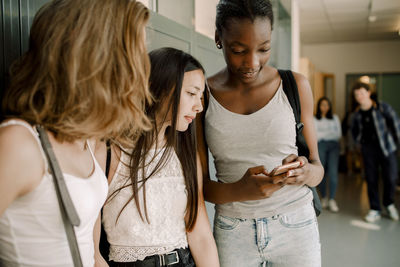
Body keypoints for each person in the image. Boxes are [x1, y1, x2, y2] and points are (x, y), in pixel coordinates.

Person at [0, 0, 152, 266]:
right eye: (132, 54)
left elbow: (92, 255)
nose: (139, 70)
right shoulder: (19, 144)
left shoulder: (90, 140)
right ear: (92, 55)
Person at [196, 1, 324, 266]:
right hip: (233, 230)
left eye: (264, 49)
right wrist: (239, 190)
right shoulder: (202, 97)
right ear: (219, 38)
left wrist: (304, 171)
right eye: (239, 50)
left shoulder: (296, 85)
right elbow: (201, 187)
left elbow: (317, 169)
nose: (252, 62)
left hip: (296, 224)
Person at [96, 47, 219, 267]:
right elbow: (88, 246)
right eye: (191, 94)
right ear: (160, 89)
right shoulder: (107, 151)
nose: (199, 106)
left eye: (201, 97)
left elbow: (200, 236)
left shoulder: (184, 154)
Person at [351, 81, 400, 223]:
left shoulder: (383, 107)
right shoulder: (357, 114)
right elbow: (353, 132)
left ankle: (389, 204)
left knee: (390, 177)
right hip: (368, 150)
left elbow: (396, 124)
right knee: (371, 179)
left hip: (386, 147)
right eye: (356, 95)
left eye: (361, 93)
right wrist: (358, 143)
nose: (359, 96)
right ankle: (375, 209)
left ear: (368, 93)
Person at [314, 97, 341, 212]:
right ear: (319, 106)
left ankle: (332, 199)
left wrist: (323, 134)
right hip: (320, 146)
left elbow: (338, 135)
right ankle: (324, 197)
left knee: (333, 173)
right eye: (322, 105)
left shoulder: (335, 118)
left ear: (329, 106)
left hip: (334, 146)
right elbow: (315, 135)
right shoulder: (314, 119)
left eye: (326, 105)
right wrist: (329, 133)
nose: (324, 107)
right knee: (322, 171)